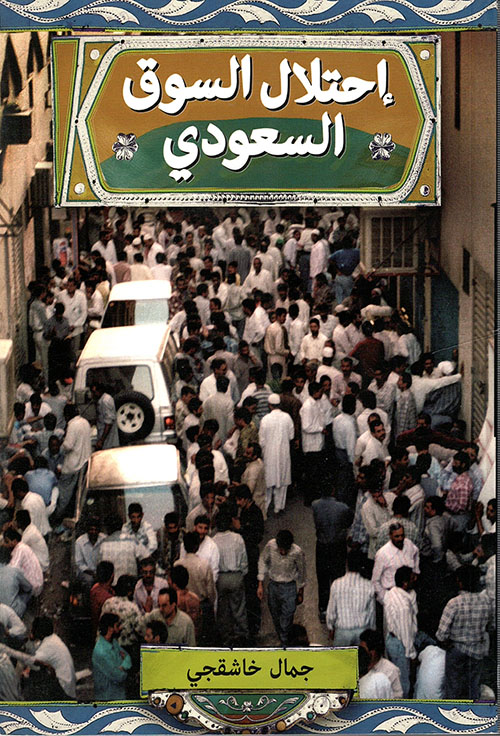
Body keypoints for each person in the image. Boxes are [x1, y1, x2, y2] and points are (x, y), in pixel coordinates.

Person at [436, 565, 493, 700]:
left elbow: (441, 634)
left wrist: (448, 643)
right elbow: (490, 626)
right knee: (473, 688)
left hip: (457, 650)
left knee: (453, 688)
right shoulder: (486, 601)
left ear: (459, 582)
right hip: (477, 650)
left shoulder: (454, 603)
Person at [257, 529, 306, 646]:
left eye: (285, 550)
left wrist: (301, 592)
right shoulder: (270, 546)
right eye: (281, 549)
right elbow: (262, 561)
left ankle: (285, 641)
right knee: (275, 614)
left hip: (289, 587)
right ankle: (282, 636)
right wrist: (260, 584)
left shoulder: (297, 552)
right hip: (273, 586)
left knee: (287, 616)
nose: (283, 552)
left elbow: (302, 572)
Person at [312, 485, 353, 621]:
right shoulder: (343, 507)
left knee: (322, 578)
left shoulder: (315, 505)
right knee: (338, 577)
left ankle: (323, 610)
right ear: (333, 491)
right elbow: (348, 522)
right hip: (338, 546)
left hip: (322, 545)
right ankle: (338, 608)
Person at [213, 510, 249, 644]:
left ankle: (226, 638)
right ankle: (242, 636)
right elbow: (244, 559)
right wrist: (242, 573)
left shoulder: (213, 540)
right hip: (236, 576)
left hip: (221, 577)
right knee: (239, 608)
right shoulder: (237, 538)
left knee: (223, 611)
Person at [326, 550, 375, 646]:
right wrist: (372, 631)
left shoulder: (337, 584)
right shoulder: (369, 585)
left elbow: (331, 610)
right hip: (362, 632)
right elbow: (371, 613)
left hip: (343, 632)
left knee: (341, 656)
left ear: (347, 564)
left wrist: (330, 627)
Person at [258, 394, 294, 515]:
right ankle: (278, 507)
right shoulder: (287, 417)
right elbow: (291, 436)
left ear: (269, 405)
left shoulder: (265, 419)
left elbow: (261, 440)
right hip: (283, 453)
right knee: (282, 482)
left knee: (268, 480)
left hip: (269, 455)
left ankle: (265, 506)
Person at [372, 524, 420, 604]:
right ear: (390, 536)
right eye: (397, 536)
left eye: (402, 535)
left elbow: (416, 552)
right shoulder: (382, 554)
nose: (400, 538)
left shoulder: (409, 544)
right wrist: (385, 598)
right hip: (391, 595)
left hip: (409, 593)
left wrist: (416, 570)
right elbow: (375, 581)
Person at [31, 616, 76, 699]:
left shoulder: (47, 646)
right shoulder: (53, 638)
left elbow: (31, 661)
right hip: (68, 684)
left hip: (63, 689)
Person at [92, 613, 132, 700]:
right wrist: (125, 667)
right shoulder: (101, 652)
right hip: (108, 698)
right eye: (117, 626)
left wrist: (122, 667)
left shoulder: (113, 642)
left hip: (119, 694)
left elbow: (127, 657)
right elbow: (119, 676)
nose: (120, 628)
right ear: (110, 629)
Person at [359, 629, 403, 698]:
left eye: (363, 649)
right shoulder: (358, 665)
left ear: (373, 653)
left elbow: (398, 697)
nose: (360, 651)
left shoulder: (391, 670)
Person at [90, 382, 120, 450]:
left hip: (108, 440)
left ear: (100, 391)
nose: (93, 394)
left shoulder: (106, 401)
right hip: (102, 435)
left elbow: (108, 423)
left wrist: (101, 440)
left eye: (94, 392)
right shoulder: (100, 400)